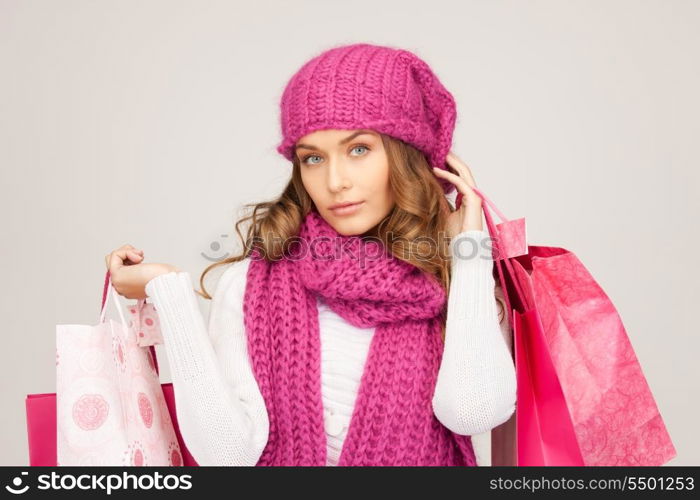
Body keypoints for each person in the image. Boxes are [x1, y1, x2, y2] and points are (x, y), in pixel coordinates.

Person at [105, 42, 516, 466]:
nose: (335, 181)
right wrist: (168, 293)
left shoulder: (459, 279)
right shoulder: (251, 283)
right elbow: (227, 455)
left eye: (359, 149)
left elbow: (473, 411)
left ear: (407, 155)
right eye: (313, 158)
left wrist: (469, 250)